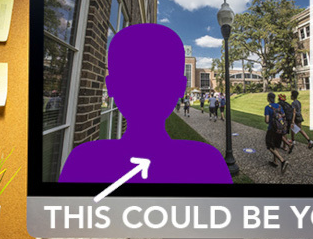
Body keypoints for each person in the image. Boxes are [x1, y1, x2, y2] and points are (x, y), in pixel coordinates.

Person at [59, 23, 232, 184]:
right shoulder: (205, 162)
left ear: (111, 87)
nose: (146, 86)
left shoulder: (85, 161)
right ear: (180, 87)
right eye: (135, 79)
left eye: (156, 79)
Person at [264, 92, 289, 174]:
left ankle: (282, 161)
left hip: (272, 129)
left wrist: (268, 120)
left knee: (269, 145)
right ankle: (275, 162)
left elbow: (267, 121)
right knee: (276, 145)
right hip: (280, 129)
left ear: (268, 98)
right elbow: (283, 116)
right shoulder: (279, 106)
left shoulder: (267, 107)